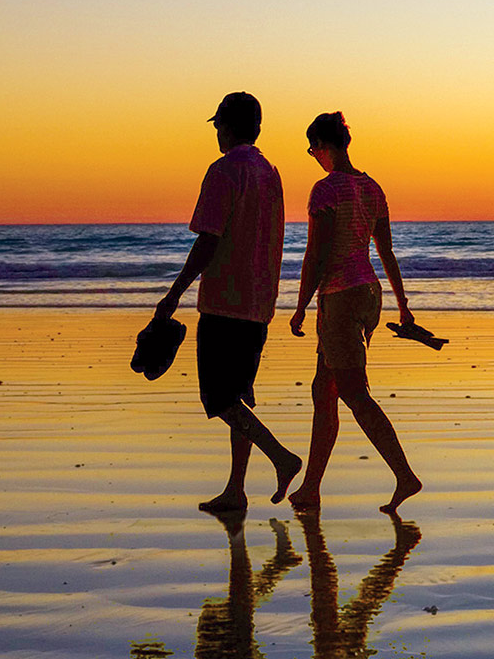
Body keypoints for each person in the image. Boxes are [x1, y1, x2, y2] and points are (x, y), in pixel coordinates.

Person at [156, 91, 305, 513]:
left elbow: (209, 238)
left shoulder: (224, 171)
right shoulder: (270, 173)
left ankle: (281, 456)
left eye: (218, 125)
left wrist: (175, 292)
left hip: (225, 302)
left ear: (228, 125)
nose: (216, 133)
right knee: (238, 395)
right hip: (260, 302)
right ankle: (235, 489)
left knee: (219, 399)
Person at [287, 111, 423, 513]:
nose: (313, 156)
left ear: (324, 147)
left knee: (353, 393)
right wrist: (402, 304)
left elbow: (317, 254)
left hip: (341, 296)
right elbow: (386, 252)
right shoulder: (372, 187)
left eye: (312, 150)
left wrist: (299, 306)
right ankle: (310, 487)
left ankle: (405, 475)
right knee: (323, 391)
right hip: (368, 294)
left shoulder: (325, 190)